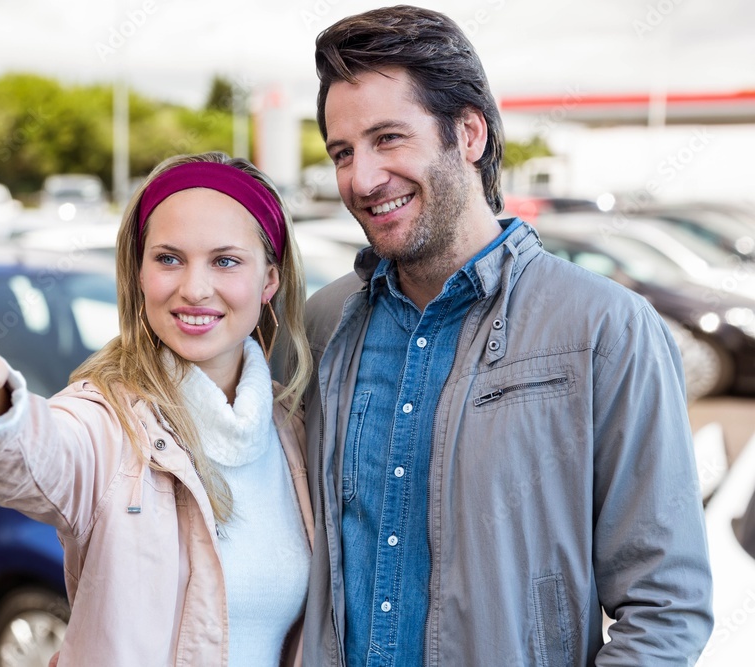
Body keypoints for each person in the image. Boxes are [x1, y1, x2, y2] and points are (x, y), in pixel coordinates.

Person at [297, 6, 714, 666]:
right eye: (343, 152)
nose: (361, 178)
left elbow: (665, 604)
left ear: (467, 133)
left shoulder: (605, 329)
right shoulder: (326, 323)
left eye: (388, 139)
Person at [0, 151, 315, 666]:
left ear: (269, 281)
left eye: (225, 260)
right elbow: (36, 454)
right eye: (168, 258)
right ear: (140, 273)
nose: (193, 288)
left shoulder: (291, 432)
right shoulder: (105, 422)